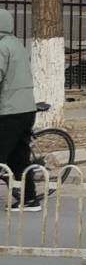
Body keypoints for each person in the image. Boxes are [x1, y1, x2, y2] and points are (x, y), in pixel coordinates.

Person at [0, 10, 39, 205]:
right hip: (26, 109)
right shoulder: (16, 44)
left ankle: (25, 195)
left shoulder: (2, 46)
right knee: (19, 156)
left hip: (10, 110)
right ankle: (29, 199)